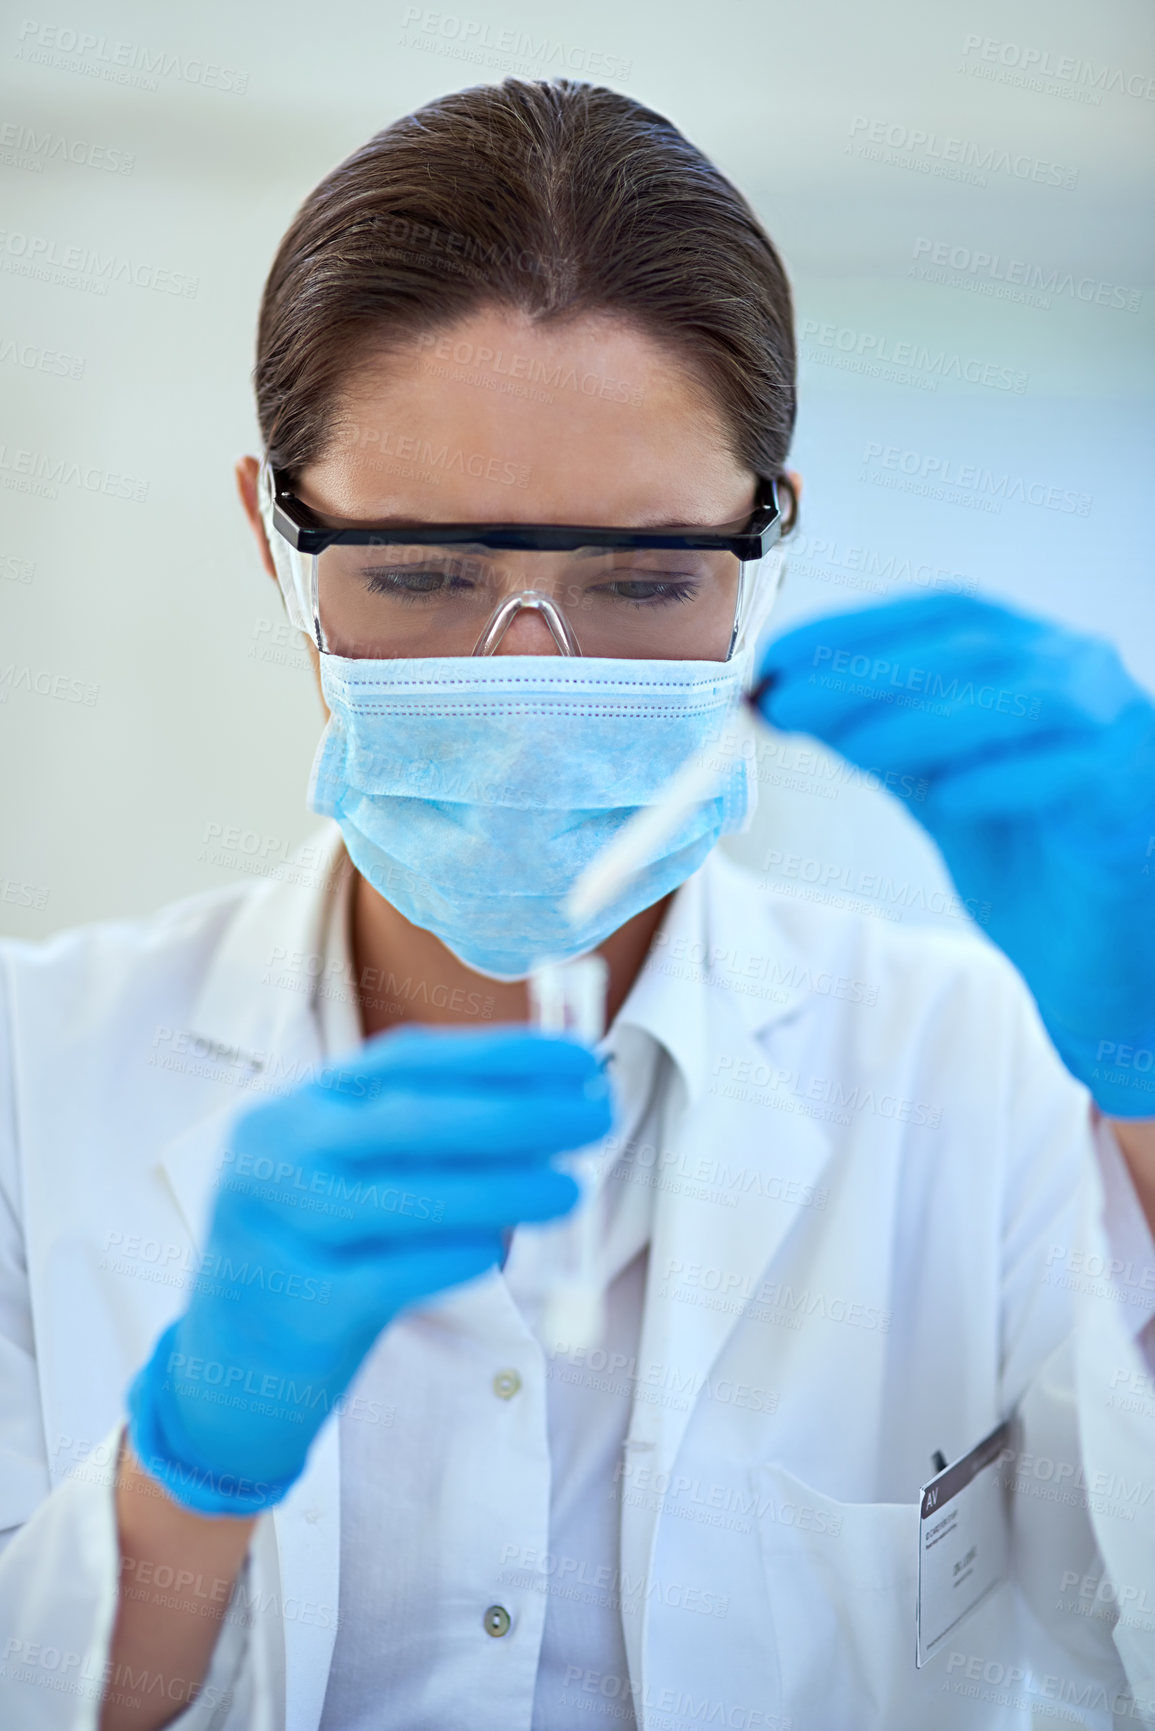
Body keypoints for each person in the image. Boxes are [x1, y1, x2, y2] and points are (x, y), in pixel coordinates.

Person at [0, 77, 1152, 1731]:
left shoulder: (973, 1072)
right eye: (416, 573)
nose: (529, 674)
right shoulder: (31, 1073)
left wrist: (1153, 1094)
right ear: (272, 534)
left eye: (643, 580)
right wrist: (183, 1480)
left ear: (771, 545)